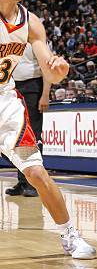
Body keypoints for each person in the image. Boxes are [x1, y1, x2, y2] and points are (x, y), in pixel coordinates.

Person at [0, 0, 95, 259]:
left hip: (6, 105)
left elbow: (49, 70)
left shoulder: (31, 22)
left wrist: (60, 69)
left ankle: (70, 236)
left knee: (37, 173)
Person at [6, 43, 51, 197]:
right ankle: (23, 181)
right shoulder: (9, 37)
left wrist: (45, 94)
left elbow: (47, 68)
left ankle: (34, 184)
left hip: (33, 86)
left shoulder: (35, 40)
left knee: (33, 135)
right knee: (17, 136)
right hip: (12, 87)